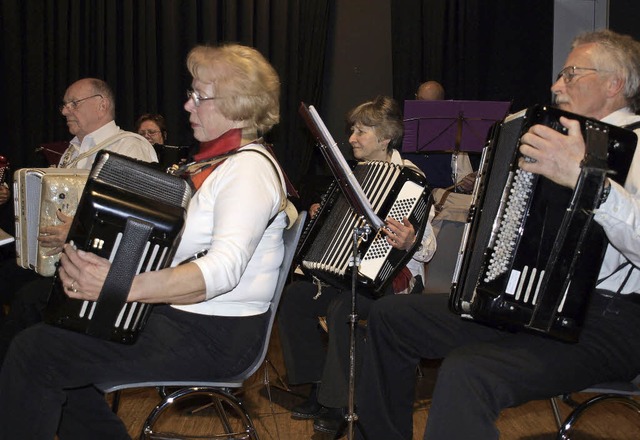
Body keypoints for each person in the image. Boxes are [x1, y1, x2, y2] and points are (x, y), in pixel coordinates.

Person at [355, 29, 640, 440]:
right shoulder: (555, 140)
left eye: (571, 74)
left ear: (615, 82)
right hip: (530, 304)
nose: (556, 85)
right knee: (390, 317)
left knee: (469, 372)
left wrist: (586, 179)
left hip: (610, 321)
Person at [0, 43, 290, 438]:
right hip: (189, 320)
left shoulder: (248, 171)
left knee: (36, 352)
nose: (187, 105)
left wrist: (117, 285)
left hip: (214, 338)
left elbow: (222, 270)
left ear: (237, 105)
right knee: (46, 323)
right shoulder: (225, 162)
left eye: (198, 96)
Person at [278, 96, 437, 436]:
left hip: (392, 280)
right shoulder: (352, 175)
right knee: (294, 299)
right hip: (345, 274)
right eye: (352, 130)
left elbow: (427, 248)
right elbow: (341, 228)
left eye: (361, 131)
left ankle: (339, 403)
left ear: (385, 138)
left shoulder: (411, 179)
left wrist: (410, 242)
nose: (351, 138)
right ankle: (318, 386)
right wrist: (324, 215)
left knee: (341, 309)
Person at [0, 78, 159, 363]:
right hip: (64, 261)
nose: (65, 111)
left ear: (102, 105)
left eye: (73, 103)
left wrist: (77, 230)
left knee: (28, 299)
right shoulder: (73, 152)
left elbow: (135, 220)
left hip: (100, 271)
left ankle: (23, 374)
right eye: (64, 104)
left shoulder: (130, 147)